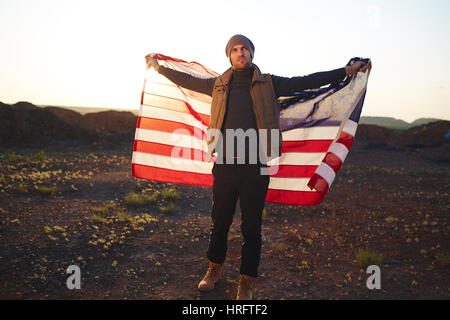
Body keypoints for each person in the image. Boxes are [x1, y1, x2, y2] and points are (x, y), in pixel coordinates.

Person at [146, 34, 371, 300]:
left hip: (256, 168)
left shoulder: (269, 83)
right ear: (229, 55)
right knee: (219, 223)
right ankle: (214, 269)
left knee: (251, 227)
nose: (241, 53)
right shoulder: (218, 85)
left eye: (245, 49)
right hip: (225, 166)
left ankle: (246, 281)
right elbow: (188, 81)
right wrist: (159, 68)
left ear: (252, 53)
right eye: (236, 50)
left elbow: (308, 80)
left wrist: (346, 71)